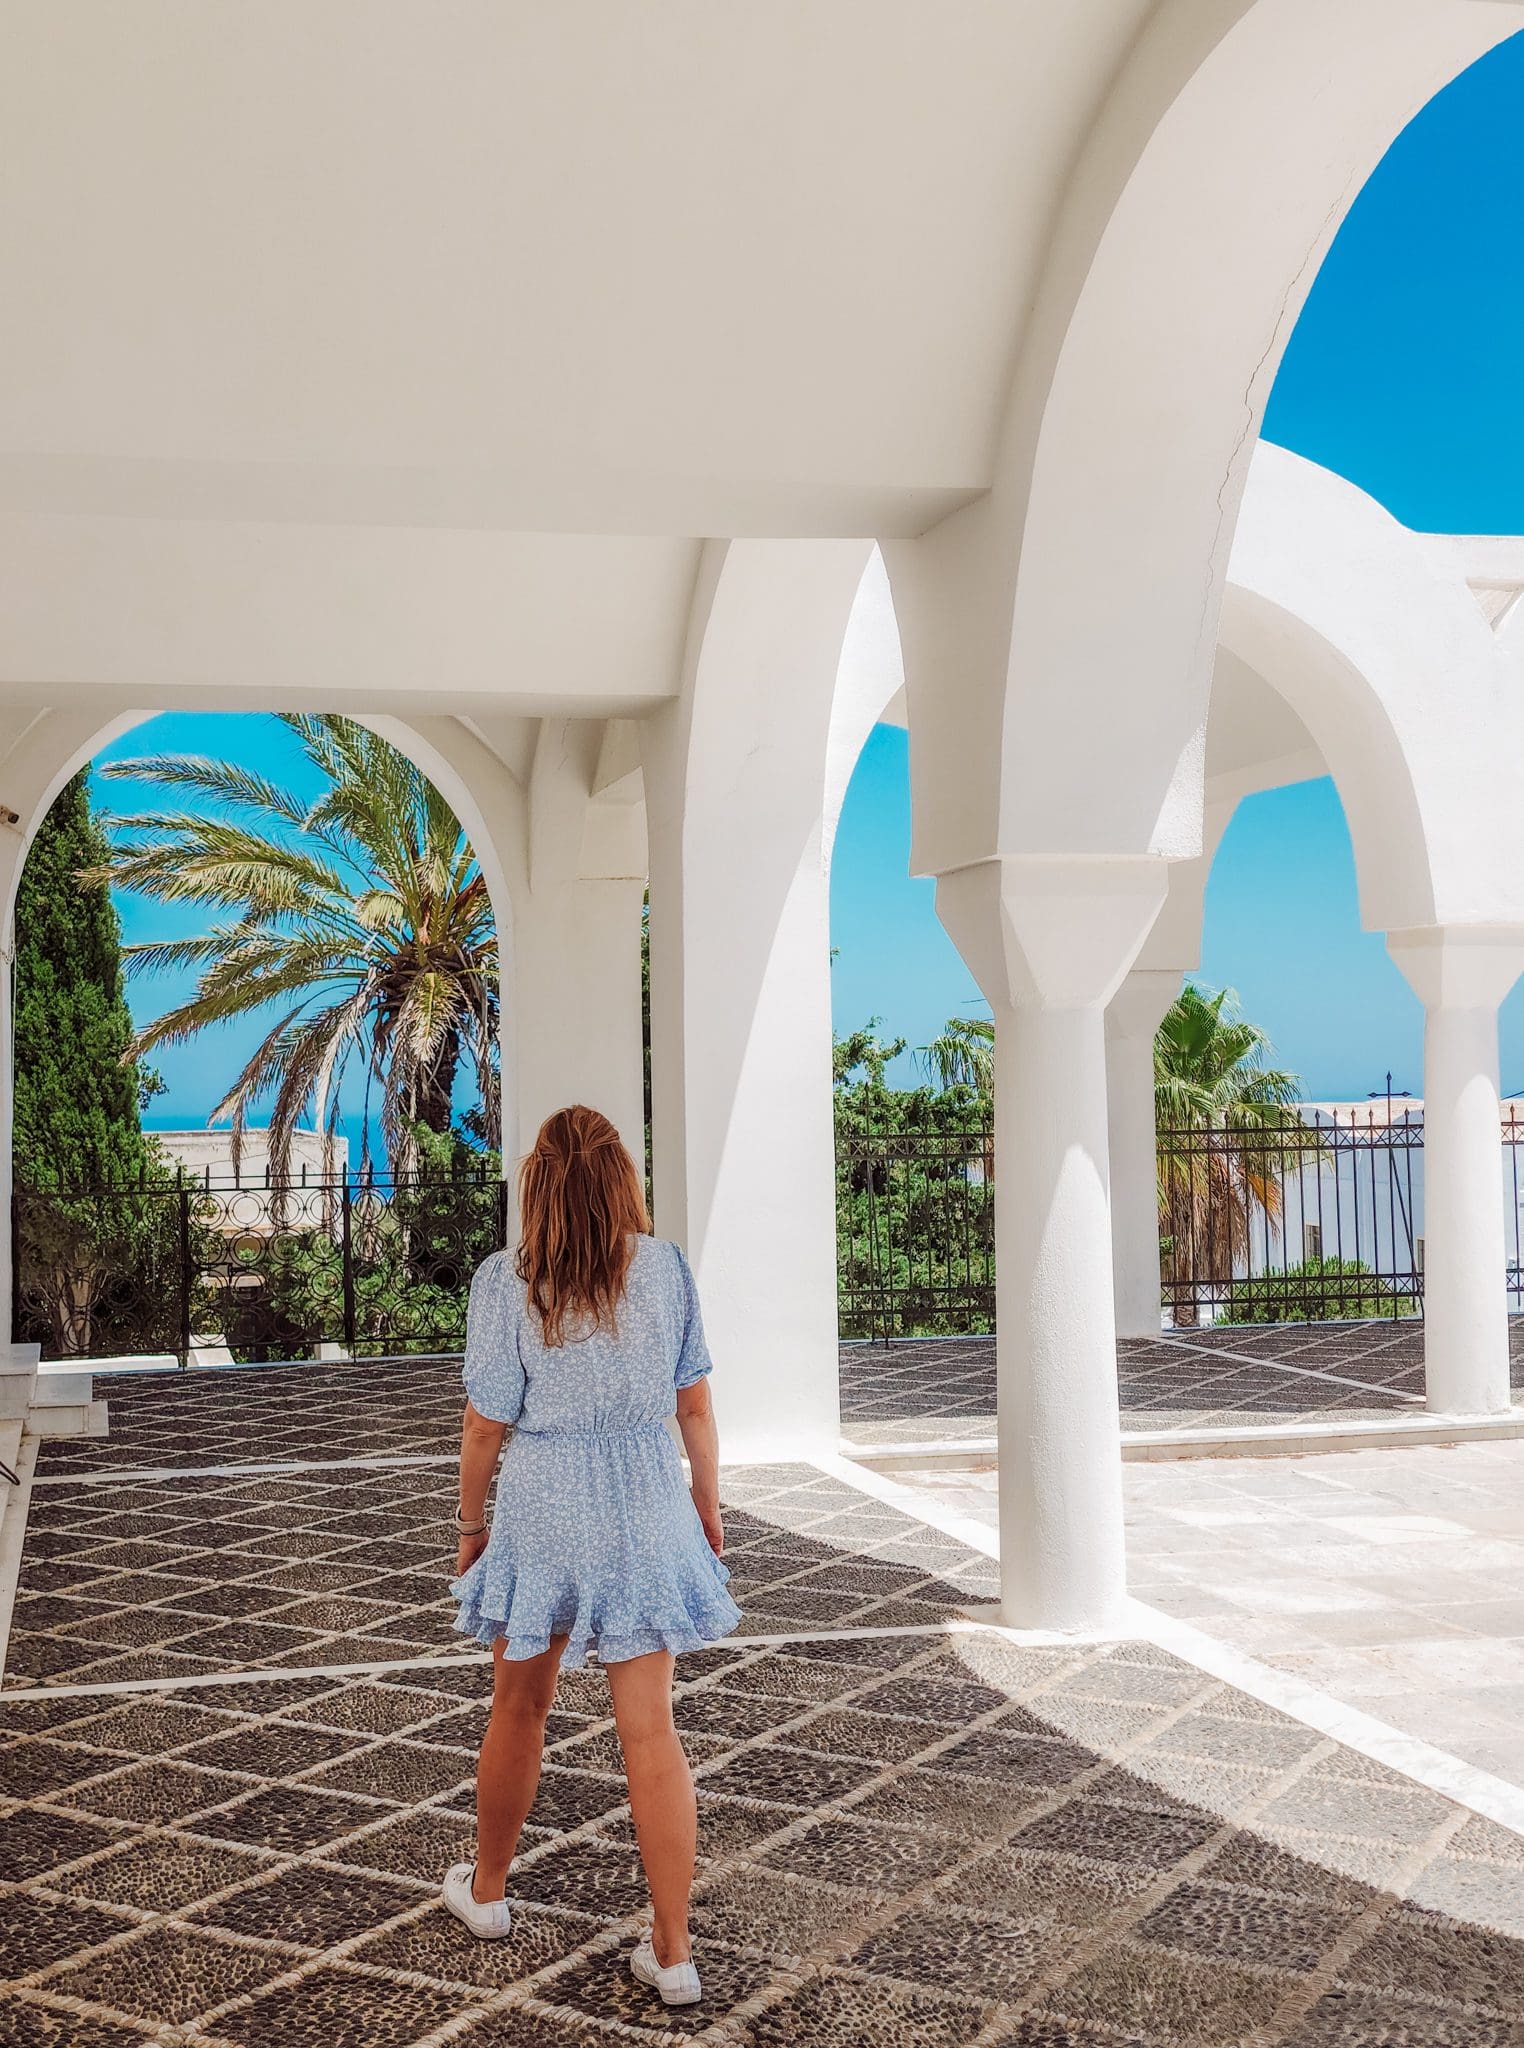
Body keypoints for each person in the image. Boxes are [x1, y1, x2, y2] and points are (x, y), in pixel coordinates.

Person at [442, 1104, 740, 2008]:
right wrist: (704, 1508)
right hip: (645, 1496)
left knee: (519, 1707)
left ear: (539, 1182)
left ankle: (488, 1894)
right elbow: (694, 1408)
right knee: (651, 1728)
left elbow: (486, 1424)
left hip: (543, 1502)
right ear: (622, 1178)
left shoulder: (507, 1280)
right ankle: (675, 1951)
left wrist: (468, 1528)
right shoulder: (665, 1270)